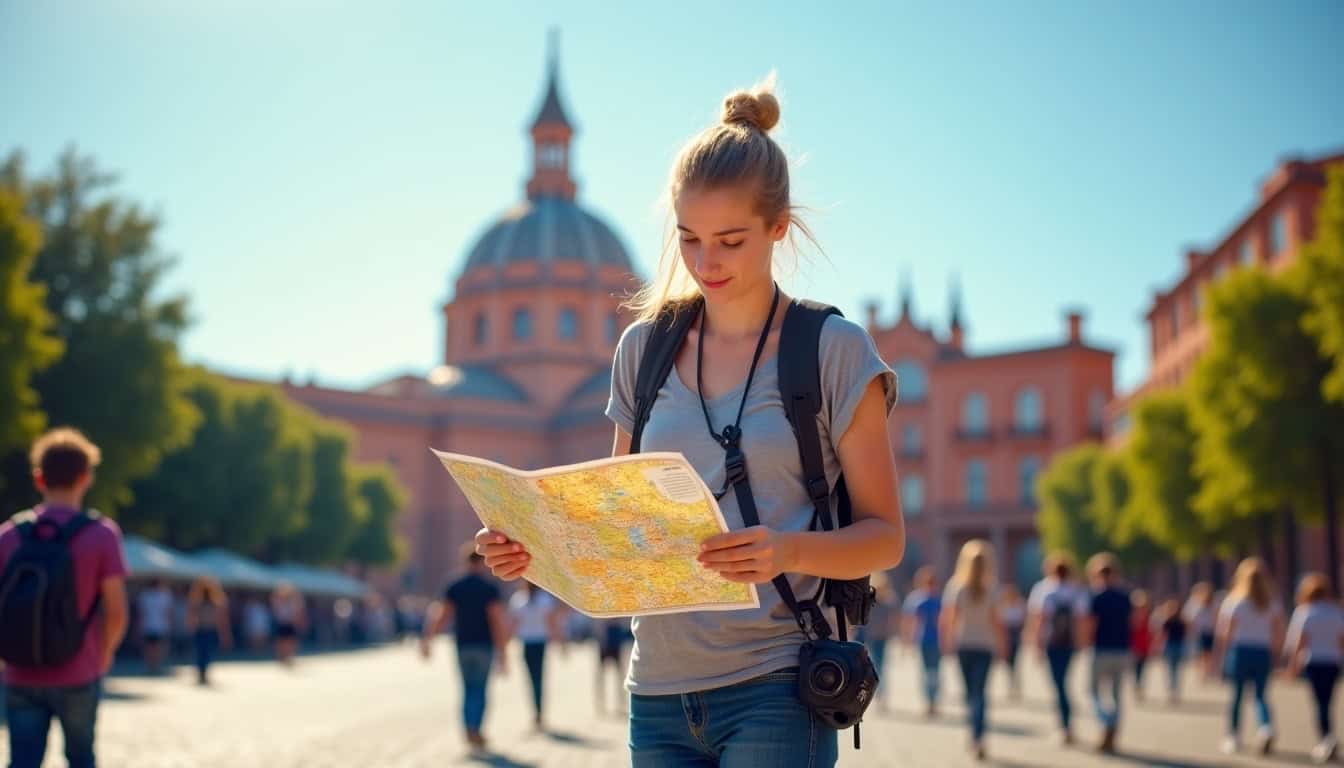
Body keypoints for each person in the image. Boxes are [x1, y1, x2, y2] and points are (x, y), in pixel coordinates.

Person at [475, 76, 906, 768]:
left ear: (778, 228)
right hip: (656, 694)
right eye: (689, 239)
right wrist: (529, 548)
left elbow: (885, 537)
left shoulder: (833, 350)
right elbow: (615, 523)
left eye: (731, 241)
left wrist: (786, 551)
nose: (706, 264)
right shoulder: (641, 351)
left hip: (778, 686)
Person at [0, 428, 129, 768]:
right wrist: (103, 656)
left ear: (38, 478)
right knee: (81, 758)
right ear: (85, 478)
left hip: (19, 670)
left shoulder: (9, 535)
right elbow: (116, 611)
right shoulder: (102, 535)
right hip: (79, 668)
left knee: (23, 761)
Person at [421, 546, 510, 752]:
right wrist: (503, 653)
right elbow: (497, 621)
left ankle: (468, 728)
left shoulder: (455, 585)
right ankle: (475, 728)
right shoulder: (489, 588)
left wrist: (428, 640)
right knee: (480, 688)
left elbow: (442, 615)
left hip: (462, 645)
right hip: (484, 645)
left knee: (467, 688)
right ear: (483, 562)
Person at [940, 541, 1005, 762]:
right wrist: (1002, 646)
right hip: (985, 646)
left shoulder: (956, 587)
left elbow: (949, 619)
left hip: (964, 645)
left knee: (970, 693)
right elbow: (997, 622)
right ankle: (979, 737)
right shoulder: (993, 587)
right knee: (980, 693)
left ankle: (974, 735)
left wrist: (946, 643)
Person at [1215, 557, 1283, 756]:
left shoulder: (1234, 601)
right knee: (1261, 695)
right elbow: (1279, 633)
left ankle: (1233, 737)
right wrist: (1277, 656)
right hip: (1262, 652)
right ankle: (1265, 727)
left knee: (1236, 696)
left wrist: (1220, 658)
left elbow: (1224, 633)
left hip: (1240, 651)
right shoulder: (1272, 602)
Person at [1027, 553, 1088, 746]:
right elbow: (1081, 620)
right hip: (1069, 643)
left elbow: (1038, 620)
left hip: (1052, 643)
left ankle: (1065, 723)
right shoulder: (1076, 590)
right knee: (1064, 681)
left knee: (1058, 683)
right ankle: (1067, 722)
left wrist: (1036, 645)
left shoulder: (1044, 590)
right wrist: (1081, 643)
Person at [1284, 572, 1344, 764]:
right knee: (1329, 701)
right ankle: (1329, 737)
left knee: (1319, 703)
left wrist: (1292, 667)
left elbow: (1299, 643)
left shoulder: (1304, 612)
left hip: (1313, 662)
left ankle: (1325, 739)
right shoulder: (1335, 611)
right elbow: (1341, 640)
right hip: (1333, 662)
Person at [1082, 553, 1130, 754]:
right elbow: (1133, 623)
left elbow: (1090, 624)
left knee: (1093, 691)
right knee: (1117, 694)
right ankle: (1113, 728)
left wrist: (1084, 643)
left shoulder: (1095, 597)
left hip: (1100, 649)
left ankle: (1106, 720)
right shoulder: (1125, 596)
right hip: (1122, 650)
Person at [508, 581, 566, 731]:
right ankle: (539, 712)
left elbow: (513, 625)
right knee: (539, 679)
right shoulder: (543, 599)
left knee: (532, 679)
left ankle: (537, 712)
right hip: (539, 643)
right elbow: (552, 624)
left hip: (529, 643)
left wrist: (505, 644)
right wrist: (560, 642)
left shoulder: (519, 599)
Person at [903, 566, 944, 717]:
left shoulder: (917, 600)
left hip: (928, 640)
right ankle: (931, 701)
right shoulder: (937, 600)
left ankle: (931, 701)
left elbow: (911, 622)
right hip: (930, 640)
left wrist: (908, 640)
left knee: (930, 672)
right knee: (932, 672)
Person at [857, 571, 899, 712]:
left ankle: (881, 695)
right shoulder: (870, 600)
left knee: (879, 667)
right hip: (871, 637)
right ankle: (876, 695)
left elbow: (892, 619)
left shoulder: (888, 601)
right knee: (875, 666)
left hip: (881, 637)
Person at [186, 577, 232, 685]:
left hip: (205, 630)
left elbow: (221, 620)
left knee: (202, 653)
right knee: (204, 653)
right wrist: (224, 634)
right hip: (206, 630)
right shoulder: (204, 603)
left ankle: (202, 674)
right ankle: (202, 674)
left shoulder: (208, 603)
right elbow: (221, 620)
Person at [594, 617, 633, 716]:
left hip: (614, 639)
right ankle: (601, 703)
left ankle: (620, 702)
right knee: (602, 676)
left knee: (619, 676)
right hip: (606, 640)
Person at [1152, 597, 1187, 704]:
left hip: (1175, 646)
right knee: (1173, 670)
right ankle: (1173, 691)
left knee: (1173, 670)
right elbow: (1162, 635)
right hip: (1173, 646)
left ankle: (1173, 691)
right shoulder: (1170, 620)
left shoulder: (1178, 620)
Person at [136, 579, 174, 675]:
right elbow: (168, 612)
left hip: (150, 625)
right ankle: (155, 665)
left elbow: (141, 613)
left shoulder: (145, 595)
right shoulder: (164, 595)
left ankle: (152, 666)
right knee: (157, 648)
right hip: (159, 625)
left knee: (151, 648)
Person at [998, 584, 1027, 700]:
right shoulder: (1003, 606)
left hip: (1015, 634)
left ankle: (1015, 684)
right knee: (1008, 662)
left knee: (1014, 661)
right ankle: (1012, 684)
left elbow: (1023, 621)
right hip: (1007, 633)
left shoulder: (1020, 604)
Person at [1184, 581, 1217, 680]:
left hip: (1210, 631)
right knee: (1200, 653)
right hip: (1199, 632)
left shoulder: (1213, 603)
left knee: (1208, 653)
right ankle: (1202, 672)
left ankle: (1206, 672)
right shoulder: (1193, 603)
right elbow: (1188, 618)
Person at [270, 582, 307, 667]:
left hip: (289, 623)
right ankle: (282, 657)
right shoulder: (279, 601)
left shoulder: (292, 602)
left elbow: (297, 611)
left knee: (290, 642)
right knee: (281, 642)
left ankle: (288, 657)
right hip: (282, 623)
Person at [1129, 589, 1152, 701]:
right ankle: (1136, 687)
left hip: (1144, 646)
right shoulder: (1130, 615)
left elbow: (1151, 632)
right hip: (1133, 646)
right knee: (1134, 669)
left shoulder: (1149, 615)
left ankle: (1138, 687)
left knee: (1141, 669)